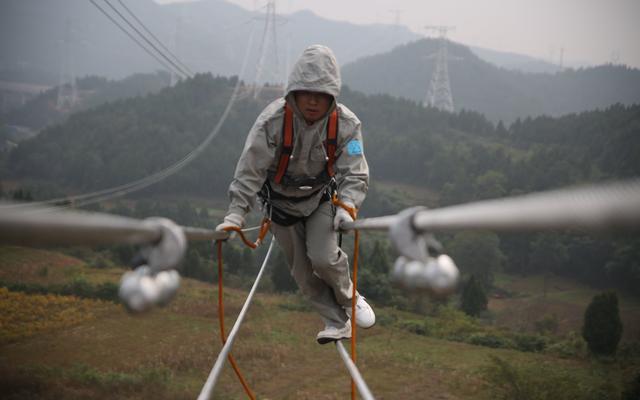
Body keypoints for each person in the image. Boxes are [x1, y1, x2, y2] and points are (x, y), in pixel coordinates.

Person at [216, 44, 375, 344]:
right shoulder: (271, 123)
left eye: (322, 95)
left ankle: (349, 298)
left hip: (320, 200)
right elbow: (250, 170)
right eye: (307, 93)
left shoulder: (346, 125)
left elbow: (355, 170)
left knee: (324, 258)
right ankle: (335, 321)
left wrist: (348, 206)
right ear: (294, 93)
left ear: (332, 96)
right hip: (280, 206)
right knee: (302, 273)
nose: (313, 101)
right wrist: (236, 214)